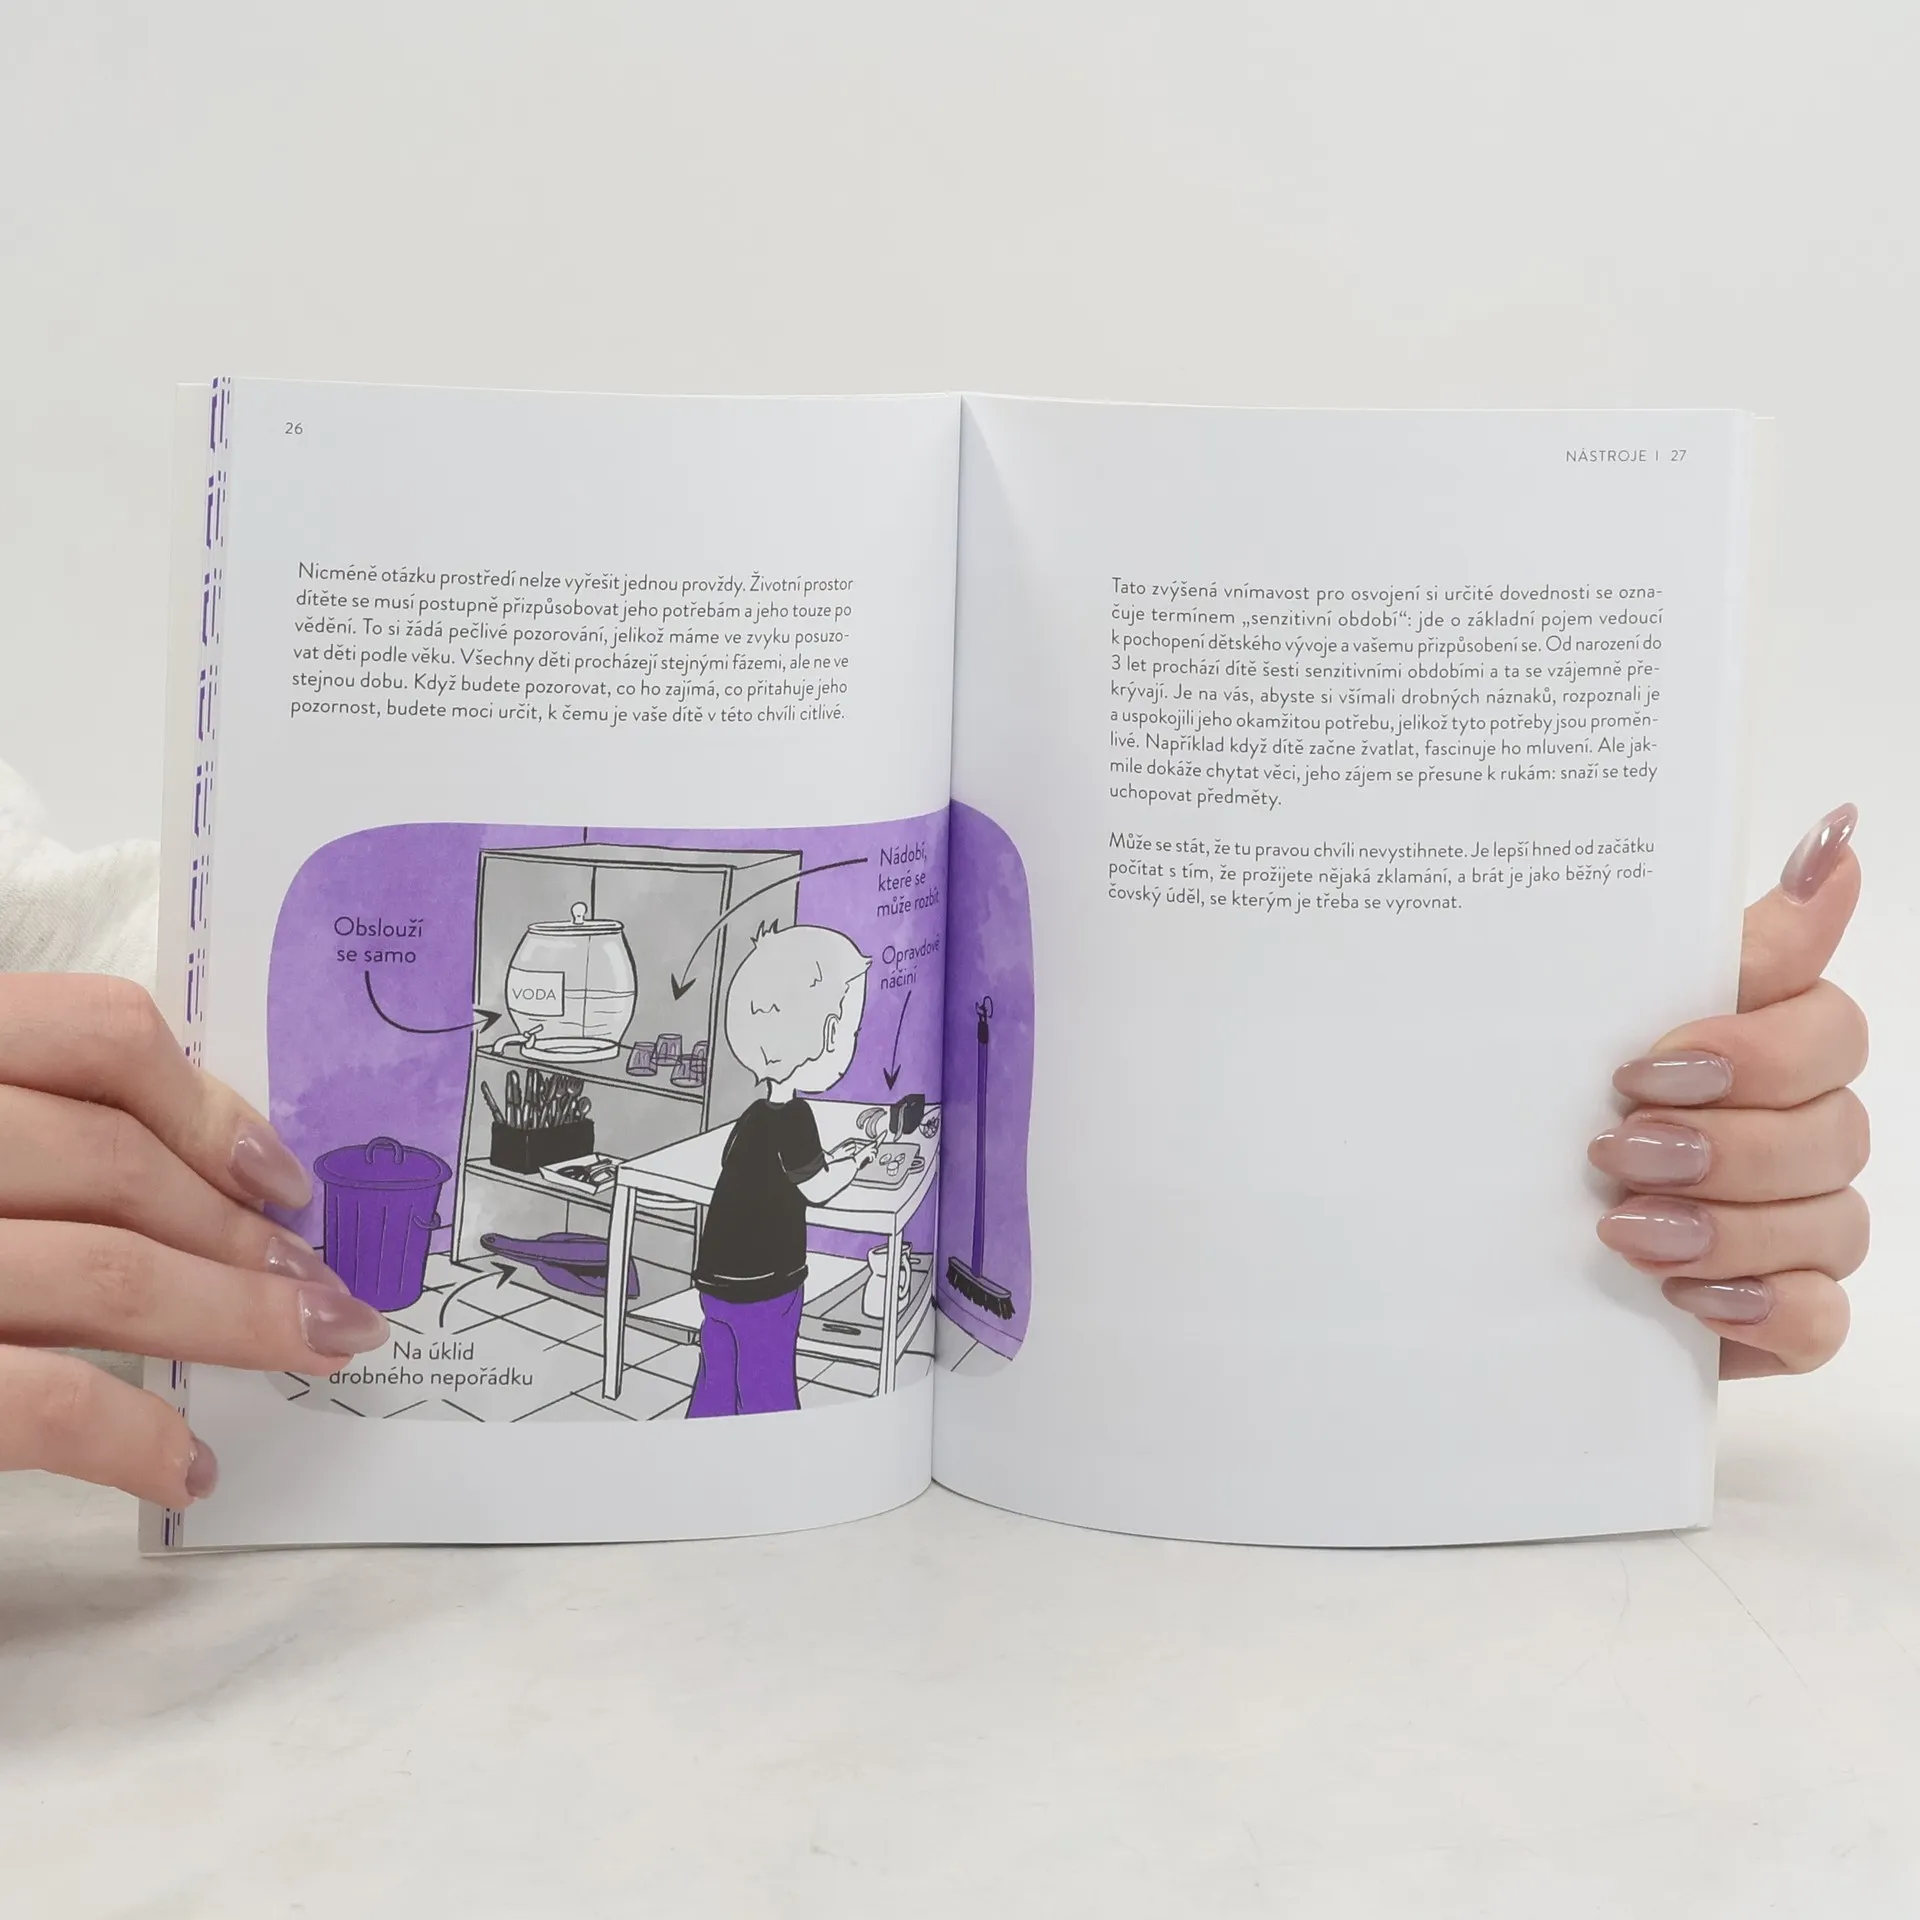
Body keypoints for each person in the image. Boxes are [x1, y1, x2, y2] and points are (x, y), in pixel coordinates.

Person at [0, 781, 1867, 1503]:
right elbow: (831, 1175)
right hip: (736, 1274)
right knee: (736, 1343)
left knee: (725, 1328)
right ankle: (725, 1404)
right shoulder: (768, 1122)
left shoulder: (773, 1111)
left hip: (735, 1259)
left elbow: (47, 914)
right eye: (805, 1029)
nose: (809, 1046)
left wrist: (1512, 1124)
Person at [686, 925, 878, 1418]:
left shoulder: (755, 1115)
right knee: (766, 1381)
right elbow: (818, 1188)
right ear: (829, 1033)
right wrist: (855, 1162)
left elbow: (760, 1172)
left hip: (717, 1280)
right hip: (767, 1284)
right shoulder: (795, 1117)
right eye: (851, 1031)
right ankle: (777, 1448)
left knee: (717, 1377)